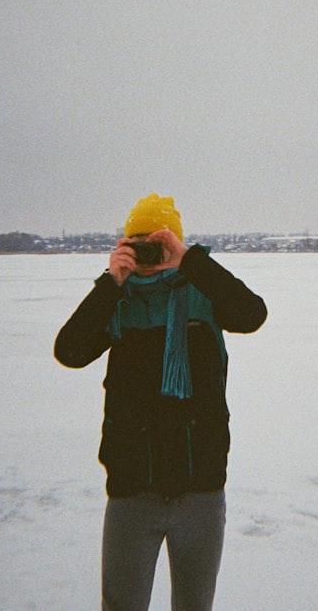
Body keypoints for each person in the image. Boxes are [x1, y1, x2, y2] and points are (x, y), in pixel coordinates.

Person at [54, 194, 267, 611]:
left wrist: (190, 262)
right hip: (133, 491)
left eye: (158, 243)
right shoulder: (117, 303)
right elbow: (69, 350)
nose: (149, 253)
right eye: (137, 242)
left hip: (199, 490)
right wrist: (109, 283)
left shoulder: (202, 295)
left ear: (176, 242)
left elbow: (252, 314)